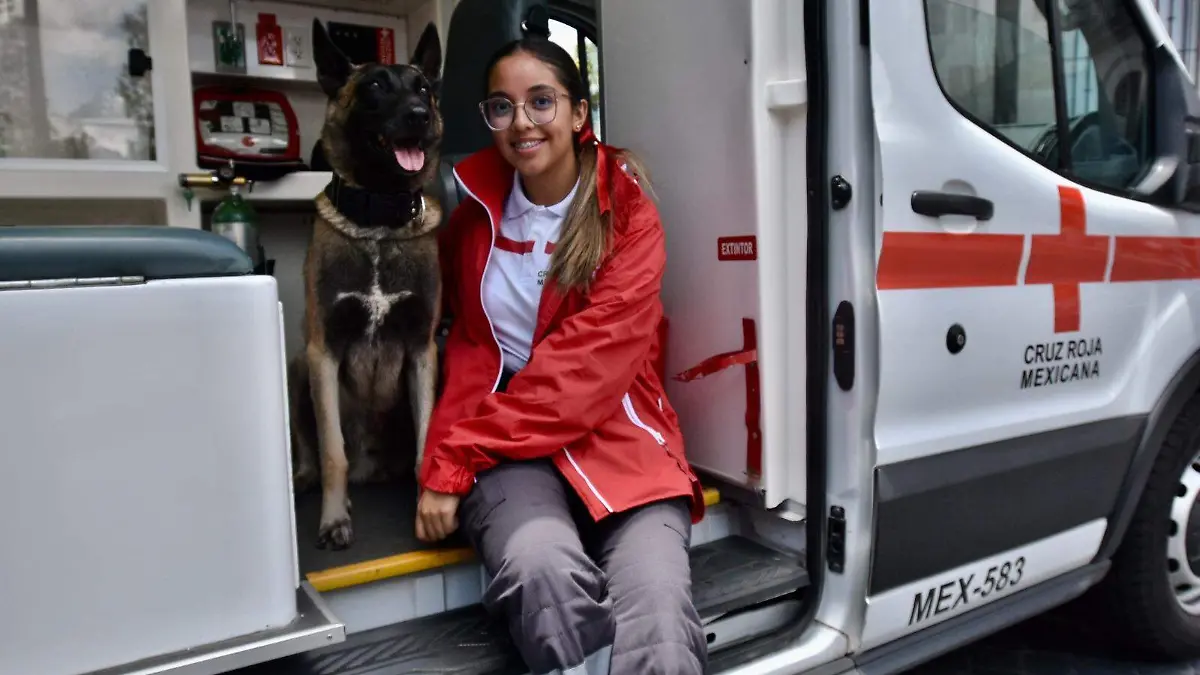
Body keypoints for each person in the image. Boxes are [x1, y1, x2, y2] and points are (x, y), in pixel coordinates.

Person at [413, 26, 708, 675]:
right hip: (505, 444)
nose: (521, 122)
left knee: (657, 609)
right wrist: (440, 447)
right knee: (540, 569)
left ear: (579, 113)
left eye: (541, 101)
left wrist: (454, 457)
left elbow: (583, 374)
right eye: (502, 106)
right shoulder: (471, 221)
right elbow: (452, 335)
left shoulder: (628, 216)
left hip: (617, 435)